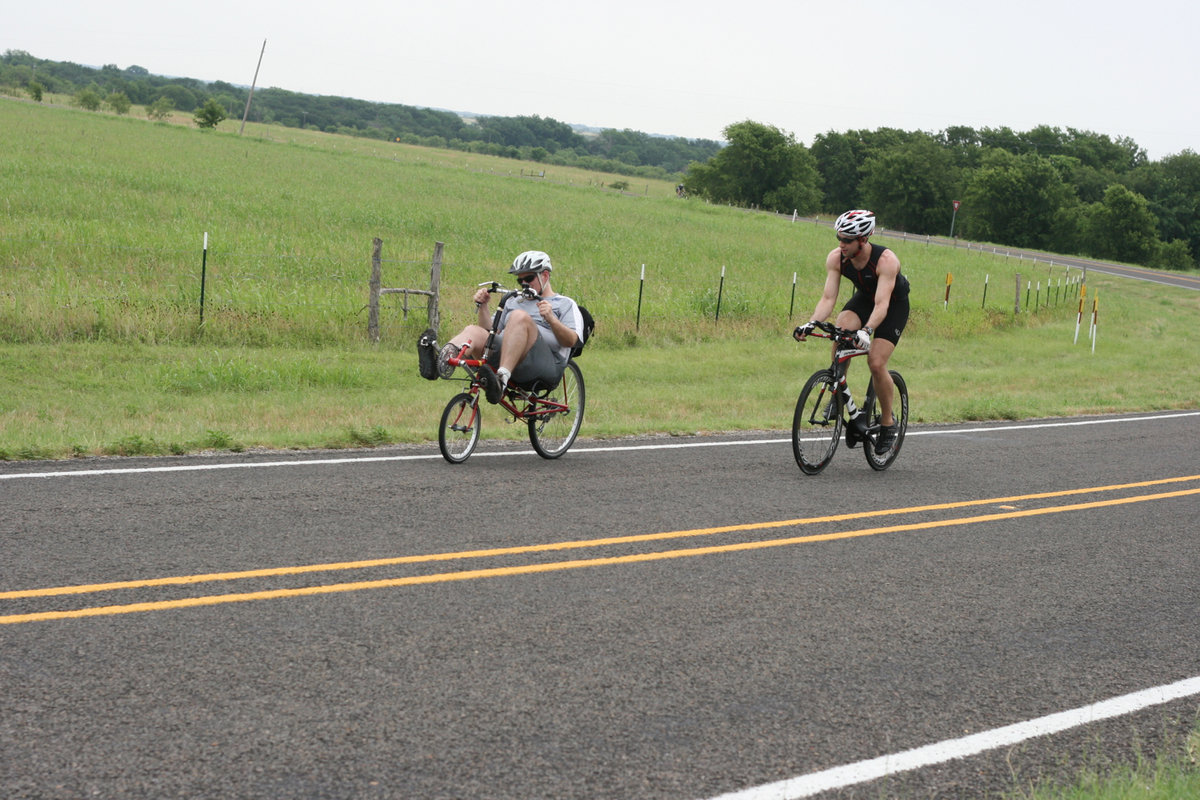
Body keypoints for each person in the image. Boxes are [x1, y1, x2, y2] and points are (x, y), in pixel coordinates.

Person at [793, 209, 910, 455]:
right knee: (841, 329)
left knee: (875, 362)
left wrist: (867, 331)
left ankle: (888, 423)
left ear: (863, 240)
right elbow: (828, 298)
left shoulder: (886, 261)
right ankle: (837, 393)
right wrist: (811, 323)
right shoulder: (837, 258)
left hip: (892, 306)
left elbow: (882, 305)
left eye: (847, 240)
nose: (841, 244)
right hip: (866, 299)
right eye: (839, 238)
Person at [418, 250, 584, 404]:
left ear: (545, 275)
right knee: (473, 330)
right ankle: (441, 362)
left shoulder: (564, 304)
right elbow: (491, 332)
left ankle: (501, 380)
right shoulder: (513, 301)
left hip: (543, 365)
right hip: (509, 356)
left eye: (529, 279)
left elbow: (572, 340)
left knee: (519, 317)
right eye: (520, 280)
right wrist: (483, 306)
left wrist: (551, 319)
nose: (524, 284)